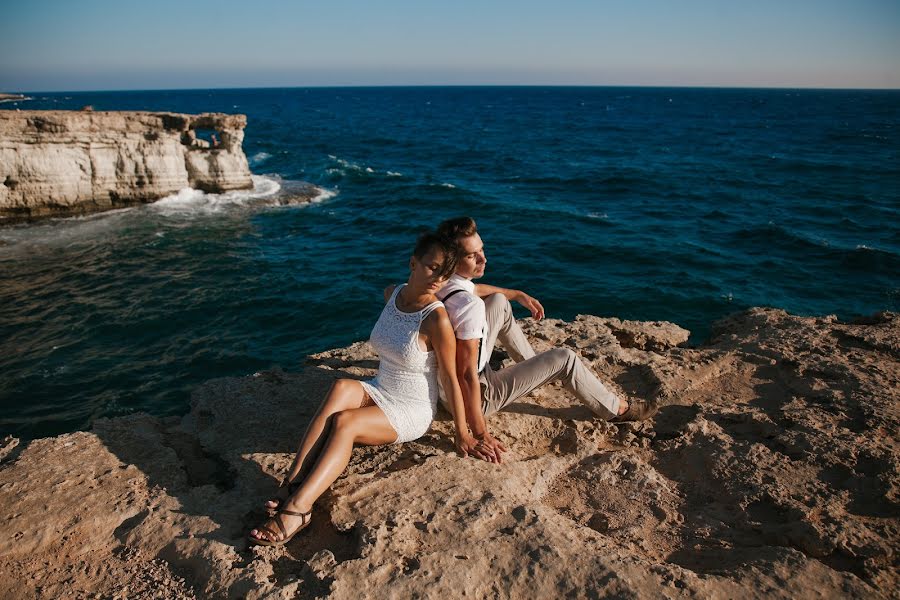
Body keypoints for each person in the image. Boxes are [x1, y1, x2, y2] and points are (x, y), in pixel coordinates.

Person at [248, 231, 478, 546]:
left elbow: (452, 378)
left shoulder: (435, 319)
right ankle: (293, 480)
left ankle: (299, 510)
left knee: (346, 422)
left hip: (411, 409)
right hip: (381, 387)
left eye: (445, 273)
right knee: (341, 386)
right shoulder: (393, 294)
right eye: (432, 267)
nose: (438, 278)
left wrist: (462, 432)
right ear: (413, 262)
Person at [434, 216, 658, 463]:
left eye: (482, 249)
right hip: (474, 396)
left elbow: (474, 290)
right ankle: (615, 410)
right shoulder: (469, 307)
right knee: (565, 358)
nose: (483, 258)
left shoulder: (440, 282)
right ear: (453, 260)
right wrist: (478, 433)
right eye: (472, 256)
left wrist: (517, 294)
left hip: (450, 381)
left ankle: (533, 368)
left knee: (499, 300)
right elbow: (466, 376)